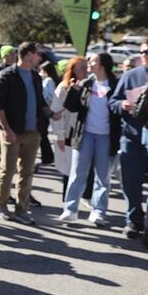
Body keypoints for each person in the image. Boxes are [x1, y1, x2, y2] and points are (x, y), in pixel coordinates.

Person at [57, 53, 120, 226]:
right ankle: (70, 209)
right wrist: (73, 91)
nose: (89, 64)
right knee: (78, 173)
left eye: (92, 61)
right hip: (85, 135)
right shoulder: (85, 83)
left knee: (103, 176)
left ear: (102, 65)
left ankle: (98, 211)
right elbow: (70, 107)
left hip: (107, 136)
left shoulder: (116, 84)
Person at [0, 42, 45, 224]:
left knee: (27, 172)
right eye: (37, 54)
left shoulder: (36, 77)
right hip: (11, 132)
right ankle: (2, 206)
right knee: (7, 171)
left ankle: (22, 208)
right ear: (28, 55)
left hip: (32, 132)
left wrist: (52, 114)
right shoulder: (6, 76)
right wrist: (6, 129)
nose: (39, 58)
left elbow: (40, 101)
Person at [108, 36, 148, 246]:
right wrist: (122, 105)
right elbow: (112, 102)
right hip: (131, 137)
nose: (144, 56)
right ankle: (134, 220)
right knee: (131, 182)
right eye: (143, 52)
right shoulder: (130, 76)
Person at [50, 56, 88, 199]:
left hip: (85, 131)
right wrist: (60, 135)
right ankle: (68, 198)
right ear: (73, 70)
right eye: (82, 68)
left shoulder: (88, 85)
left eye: (86, 67)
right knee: (69, 168)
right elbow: (56, 113)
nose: (86, 70)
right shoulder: (63, 88)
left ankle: (82, 196)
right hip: (68, 133)